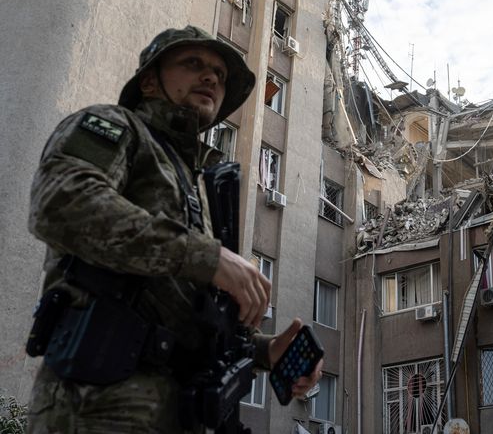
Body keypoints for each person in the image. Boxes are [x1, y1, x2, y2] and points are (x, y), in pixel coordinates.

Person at [25, 26, 322, 433]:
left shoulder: (197, 183)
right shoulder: (115, 127)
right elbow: (62, 205)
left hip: (178, 413)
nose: (211, 78)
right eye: (193, 64)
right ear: (149, 81)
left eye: (219, 73)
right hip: (98, 405)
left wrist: (265, 351)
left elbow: (183, 312)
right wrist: (208, 257)